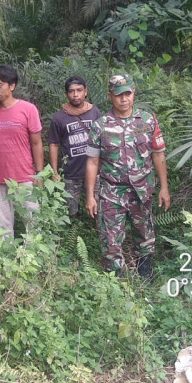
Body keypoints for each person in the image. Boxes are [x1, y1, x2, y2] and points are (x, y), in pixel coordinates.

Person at [85, 74, 171, 277]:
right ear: (110, 96)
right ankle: (115, 284)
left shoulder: (147, 120)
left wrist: (164, 188)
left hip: (142, 191)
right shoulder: (100, 126)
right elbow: (92, 162)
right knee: (111, 241)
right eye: (119, 95)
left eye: (128, 94)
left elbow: (158, 154)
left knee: (145, 236)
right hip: (111, 193)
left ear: (134, 93)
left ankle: (145, 278)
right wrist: (90, 196)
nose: (124, 99)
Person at [0, 65, 44, 239]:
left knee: (32, 224)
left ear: (12, 85)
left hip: (25, 177)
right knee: (4, 226)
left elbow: (37, 143)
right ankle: (5, 263)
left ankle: (34, 261)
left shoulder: (28, 109)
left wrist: (39, 174)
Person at [48, 76, 103, 217]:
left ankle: (99, 236)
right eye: (71, 91)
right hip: (71, 172)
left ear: (86, 91)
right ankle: (70, 237)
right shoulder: (59, 118)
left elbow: (104, 139)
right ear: (66, 94)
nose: (76, 94)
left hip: (96, 171)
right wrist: (55, 172)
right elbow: (54, 144)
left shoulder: (95, 112)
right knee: (69, 212)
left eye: (79, 90)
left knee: (99, 210)